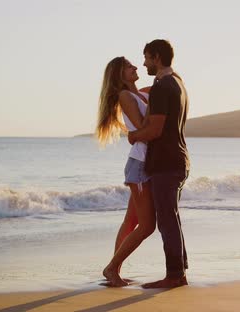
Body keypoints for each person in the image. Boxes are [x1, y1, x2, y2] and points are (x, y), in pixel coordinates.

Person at [128, 39, 190, 288]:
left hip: (166, 162)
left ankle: (174, 276)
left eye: (146, 57)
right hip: (176, 159)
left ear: (157, 57)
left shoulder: (165, 85)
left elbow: (154, 129)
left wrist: (133, 136)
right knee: (171, 217)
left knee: (166, 219)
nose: (143, 63)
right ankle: (179, 272)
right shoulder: (177, 83)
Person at [96, 56, 156, 287]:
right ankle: (112, 268)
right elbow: (143, 128)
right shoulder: (126, 96)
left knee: (131, 221)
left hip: (146, 163)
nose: (135, 67)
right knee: (147, 225)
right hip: (140, 164)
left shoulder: (142, 91)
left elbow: (170, 82)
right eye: (129, 66)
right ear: (119, 75)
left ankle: (115, 271)